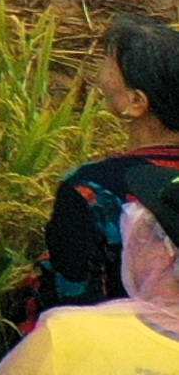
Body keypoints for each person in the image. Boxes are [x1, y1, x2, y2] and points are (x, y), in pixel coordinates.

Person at [15, 27, 179, 323]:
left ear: (136, 103)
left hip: (126, 360)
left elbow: (72, 309)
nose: (99, 76)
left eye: (109, 64)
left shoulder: (93, 190)